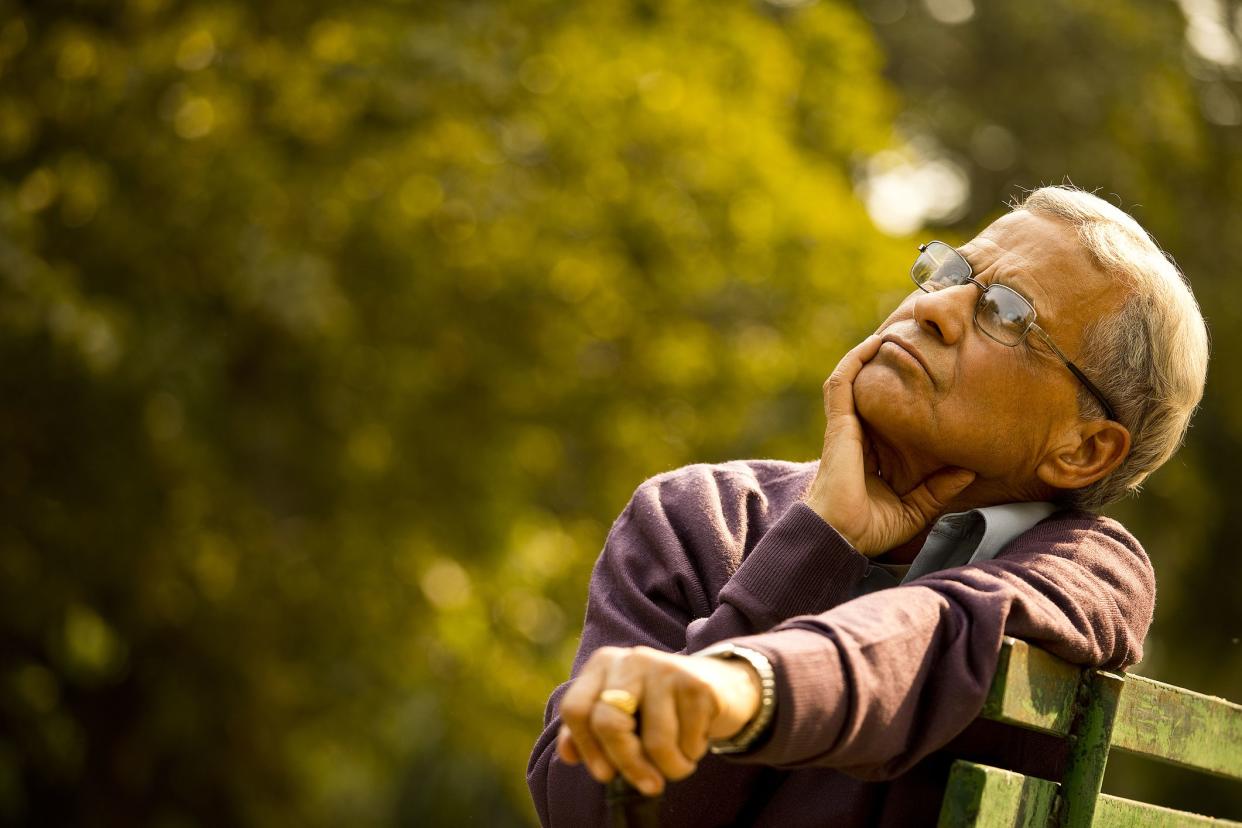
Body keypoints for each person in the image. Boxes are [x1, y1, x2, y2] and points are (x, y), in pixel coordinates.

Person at [527, 186, 1209, 826]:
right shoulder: (693, 513)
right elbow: (583, 810)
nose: (933, 309)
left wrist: (734, 686)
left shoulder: (1091, 570)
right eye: (950, 274)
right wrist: (818, 540)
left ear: (1083, 450)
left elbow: (938, 634)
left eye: (1006, 312)